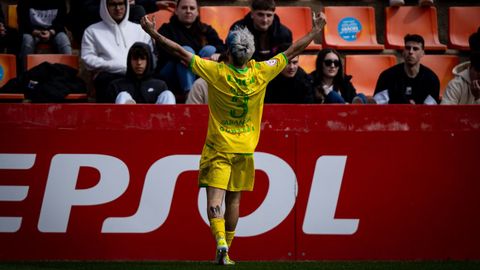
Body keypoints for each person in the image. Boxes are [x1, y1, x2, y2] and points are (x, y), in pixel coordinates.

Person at [140, 9, 326, 265]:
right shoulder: (262, 72)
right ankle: (228, 250)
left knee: (215, 200)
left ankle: (220, 243)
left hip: (218, 149)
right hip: (244, 151)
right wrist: (316, 31)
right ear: (250, 53)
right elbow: (292, 51)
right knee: (234, 201)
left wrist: (153, 33)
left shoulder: (215, 73)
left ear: (227, 50)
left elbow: (181, 53)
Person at [81, 0, 152, 103]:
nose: (118, 8)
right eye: (113, 4)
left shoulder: (139, 30)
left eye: (121, 3)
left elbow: (150, 54)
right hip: (110, 76)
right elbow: (88, 59)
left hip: (138, 75)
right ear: (105, 6)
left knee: (159, 84)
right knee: (105, 81)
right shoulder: (92, 31)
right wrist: (114, 65)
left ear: (126, 5)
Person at [154, 0, 225, 98]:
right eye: (184, 8)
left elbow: (222, 47)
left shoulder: (206, 30)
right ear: (176, 11)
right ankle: (190, 95)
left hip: (198, 72)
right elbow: (162, 51)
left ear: (197, 12)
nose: (188, 11)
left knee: (210, 50)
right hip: (171, 74)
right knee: (186, 51)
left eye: (192, 8)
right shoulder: (166, 29)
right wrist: (181, 57)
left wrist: (218, 53)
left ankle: (209, 92)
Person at [373, 34, 440, 104]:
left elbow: (431, 110)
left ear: (423, 53)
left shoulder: (431, 79)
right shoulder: (388, 76)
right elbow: (378, 105)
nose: (411, 52)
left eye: (415, 49)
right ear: (403, 52)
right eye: (408, 48)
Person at [108, 42, 176, 104]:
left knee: (168, 95)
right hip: (127, 116)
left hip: (156, 116)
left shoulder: (160, 85)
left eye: (143, 58)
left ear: (149, 60)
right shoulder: (116, 86)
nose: (139, 63)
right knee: (122, 96)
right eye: (135, 59)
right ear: (129, 61)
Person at [17, 0, 72, 71]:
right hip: (32, 32)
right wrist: (36, 32)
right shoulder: (24, 2)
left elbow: (61, 21)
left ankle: (68, 75)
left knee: (65, 43)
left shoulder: (59, 2)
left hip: (54, 31)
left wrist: (51, 32)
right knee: (27, 42)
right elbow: (23, 22)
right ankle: (25, 75)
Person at [441, 29, 480, 105]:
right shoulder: (456, 85)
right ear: (471, 67)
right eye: (478, 70)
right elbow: (446, 114)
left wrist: (478, 98)